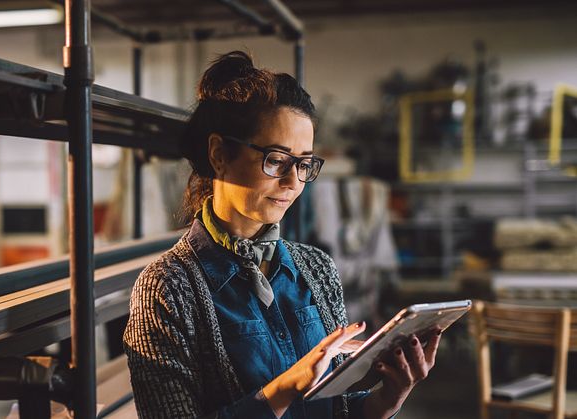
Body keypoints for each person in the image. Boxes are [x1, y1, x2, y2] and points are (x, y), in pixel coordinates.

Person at [123, 51, 441, 419]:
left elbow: (333, 409)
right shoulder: (166, 288)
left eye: (305, 163)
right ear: (219, 154)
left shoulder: (316, 267)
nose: (293, 182)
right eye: (276, 159)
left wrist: (389, 396)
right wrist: (286, 387)